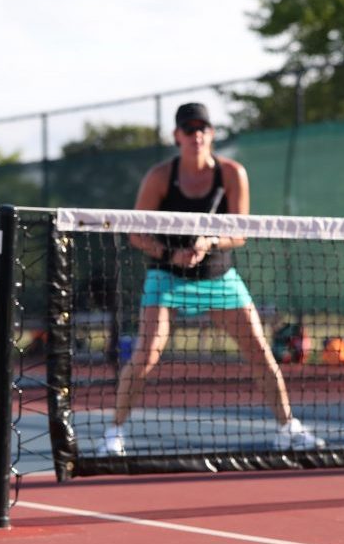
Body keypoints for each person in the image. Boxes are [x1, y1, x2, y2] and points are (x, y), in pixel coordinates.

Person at [100, 103, 323, 455]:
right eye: (189, 129)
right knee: (146, 354)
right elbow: (135, 234)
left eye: (203, 128)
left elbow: (240, 232)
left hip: (219, 277)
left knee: (261, 353)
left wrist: (210, 241)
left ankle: (287, 428)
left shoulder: (232, 173)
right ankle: (113, 434)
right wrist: (169, 254)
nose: (196, 135)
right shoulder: (160, 177)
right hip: (167, 278)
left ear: (212, 134)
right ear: (177, 136)